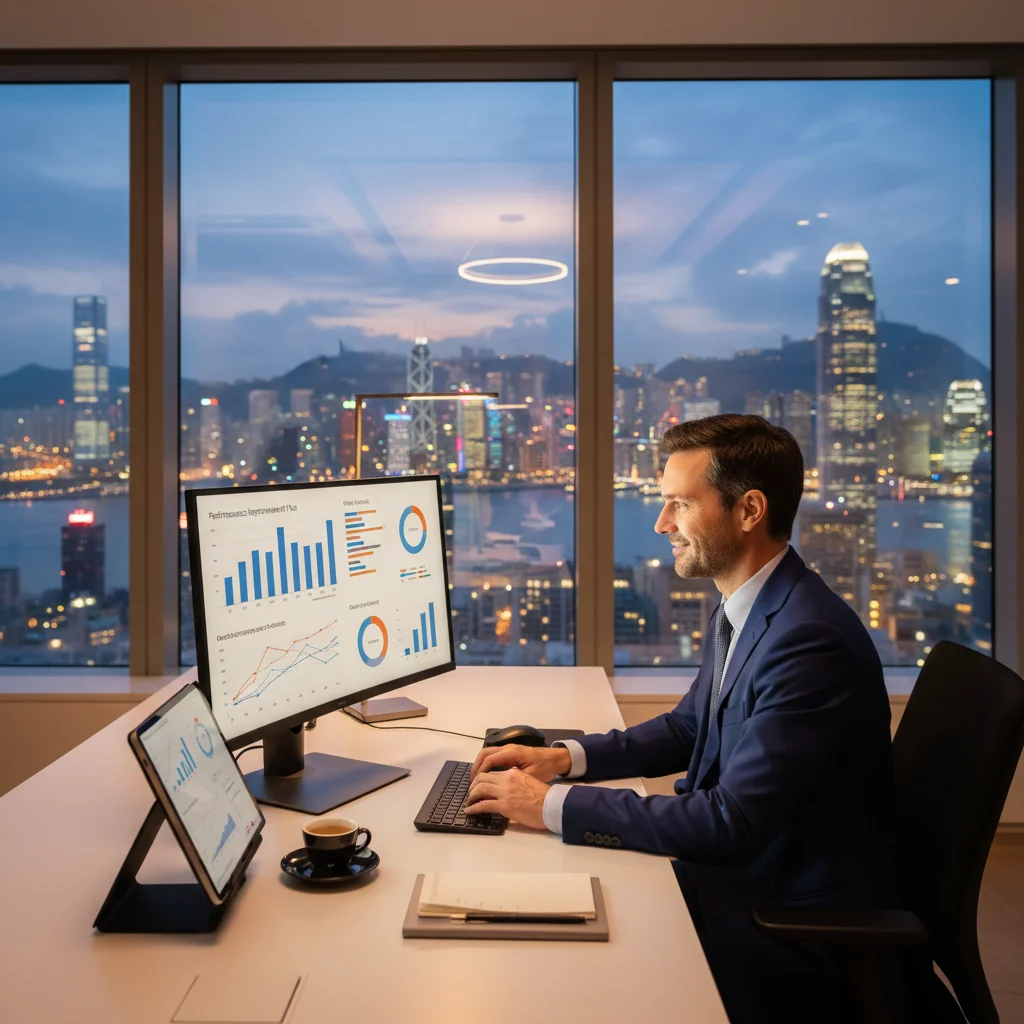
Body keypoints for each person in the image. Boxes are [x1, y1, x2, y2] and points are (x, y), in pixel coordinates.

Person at [466, 414, 898, 1024]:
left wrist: (547, 806)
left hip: (785, 918)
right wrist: (563, 759)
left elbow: (729, 822)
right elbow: (689, 728)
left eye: (678, 505)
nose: (661, 523)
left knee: (556, 969)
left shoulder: (809, 641)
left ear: (749, 510)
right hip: (744, 873)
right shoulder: (754, 603)